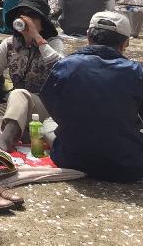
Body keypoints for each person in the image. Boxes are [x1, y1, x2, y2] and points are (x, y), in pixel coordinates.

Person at [41, 11, 143, 183]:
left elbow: (51, 104)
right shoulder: (137, 72)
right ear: (126, 42)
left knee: (48, 123)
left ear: (88, 36)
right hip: (127, 166)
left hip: (71, 159)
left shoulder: (65, 66)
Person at [0, 0, 65, 152]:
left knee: (19, 94)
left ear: (42, 23)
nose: (26, 20)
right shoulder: (9, 44)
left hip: (45, 107)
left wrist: (37, 38)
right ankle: (17, 133)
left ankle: (5, 141)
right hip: (17, 107)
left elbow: (62, 70)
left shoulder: (53, 43)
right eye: (22, 15)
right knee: (9, 98)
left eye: (32, 16)